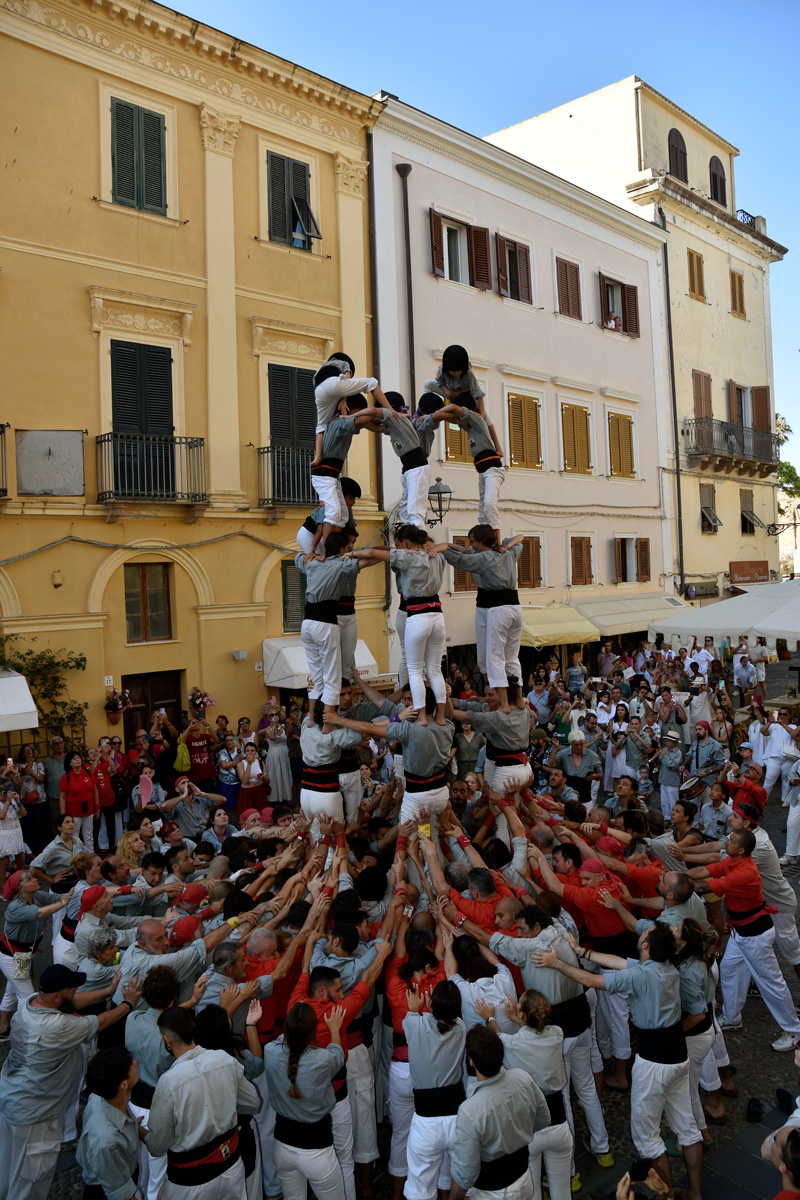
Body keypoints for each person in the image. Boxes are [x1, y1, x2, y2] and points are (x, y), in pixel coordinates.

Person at [533, 923, 704, 1200]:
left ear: (646, 946)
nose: (641, 936)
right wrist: (581, 952)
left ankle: (667, 1197)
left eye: (645, 935)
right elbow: (620, 962)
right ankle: (695, 1194)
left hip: (653, 1063)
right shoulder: (667, 967)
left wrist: (558, 963)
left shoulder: (639, 977)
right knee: (688, 1129)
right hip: (678, 1057)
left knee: (648, 1138)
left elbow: (591, 981)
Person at [0, 964, 140, 1200]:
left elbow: (73, 1002)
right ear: (57, 995)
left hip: (12, 1099)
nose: (76, 993)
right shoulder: (57, 1027)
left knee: (8, 1165)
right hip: (36, 1116)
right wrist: (128, 1003)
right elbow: (101, 1022)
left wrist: (109, 990)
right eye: (72, 989)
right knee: (30, 1181)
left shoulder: (32, 1002)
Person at [685, 827, 800, 1050]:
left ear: (742, 849)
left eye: (732, 840)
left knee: (772, 984)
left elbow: (704, 886)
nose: (726, 842)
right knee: (729, 970)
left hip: (754, 936)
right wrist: (680, 873)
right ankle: (732, 1017)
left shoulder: (744, 872)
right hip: (741, 932)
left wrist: (674, 880)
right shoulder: (734, 861)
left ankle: (795, 1031)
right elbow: (708, 870)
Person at [144, 1005, 261, 1197]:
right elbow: (253, 1104)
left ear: (167, 1040)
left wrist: (142, 1134)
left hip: (189, 1179)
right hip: (230, 1167)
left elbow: (157, 1146)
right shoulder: (225, 1059)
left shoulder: (168, 1082)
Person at [479, 990, 573, 1200]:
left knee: (533, 1195)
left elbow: (498, 1035)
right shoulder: (557, 1033)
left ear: (523, 1014)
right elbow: (535, 1035)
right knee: (563, 1194)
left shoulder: (512, 1044)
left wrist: (490, 1017)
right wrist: (517, 1018)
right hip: (559, 1126)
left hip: (529, 1130)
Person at [448, 1025, 550, 1200]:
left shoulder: (469, 1111)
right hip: (525, 1180)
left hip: (490, 1192)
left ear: (471, 1060)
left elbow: (466, 1173)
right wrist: (517, 1134)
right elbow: (543, 1119)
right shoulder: (523, 1078)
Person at [264, 999, 348, 1200]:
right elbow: (338, 1055)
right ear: (312, 1033)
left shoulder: (270, 1052)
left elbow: (282, 1045)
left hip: (282, 1146)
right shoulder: (322, 1059)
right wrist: (334, 1028)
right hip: (317, 1151)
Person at [437, 527, 525, 712]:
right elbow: (521, 539)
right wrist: (507, 545)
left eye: (473, 541)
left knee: (495, 658)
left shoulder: (484, 558)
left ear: (482, 541)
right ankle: (518, 699)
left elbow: (461, 561)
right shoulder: (507, 553)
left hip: (497, 608)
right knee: (511, 657)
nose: (471, 545)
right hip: (515, 608)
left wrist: (443, 549)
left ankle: (504, 703)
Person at [403, 980, 466, 1200]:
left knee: (420, 1188)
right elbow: (448, 1019)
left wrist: (416, 1008)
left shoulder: (413, 1024)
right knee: (463, 1177)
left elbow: (413, 1018)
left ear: (430, 1002)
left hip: (425, 1122)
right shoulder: (461, 1028)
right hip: (457, 1119)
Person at [0, 868, 74, 1036]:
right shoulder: (15, 907)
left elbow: (57, 898)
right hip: (11, 957)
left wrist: (67, 895)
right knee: (27, 997)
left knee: (12, 991)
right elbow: (40, 913)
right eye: (29, 880)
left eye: (33, 878)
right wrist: (62, 902)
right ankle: (23, 1034)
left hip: (22, 955)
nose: (35, 881)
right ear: (20, 888)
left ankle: (3, 1028)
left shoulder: (38, 896)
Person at [76, 1047, 141, 1200]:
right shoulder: (107, 1141)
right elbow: (121, 1194)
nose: (135, 1063)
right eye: (130, 1065)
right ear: (123, 1085)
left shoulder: (102, 1097)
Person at [59, 749, 98, 851]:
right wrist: (63, 815)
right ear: (70, 763)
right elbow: (62, 797)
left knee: (88, 835)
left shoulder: (88, 773)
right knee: (74, 836)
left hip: (88, 810)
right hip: (74, 812)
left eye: (78, 758)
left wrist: (97, 808)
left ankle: (90, 856)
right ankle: (76, 857)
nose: (77, 760)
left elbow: (95, 791)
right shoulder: (66, 777)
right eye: (74, 759)